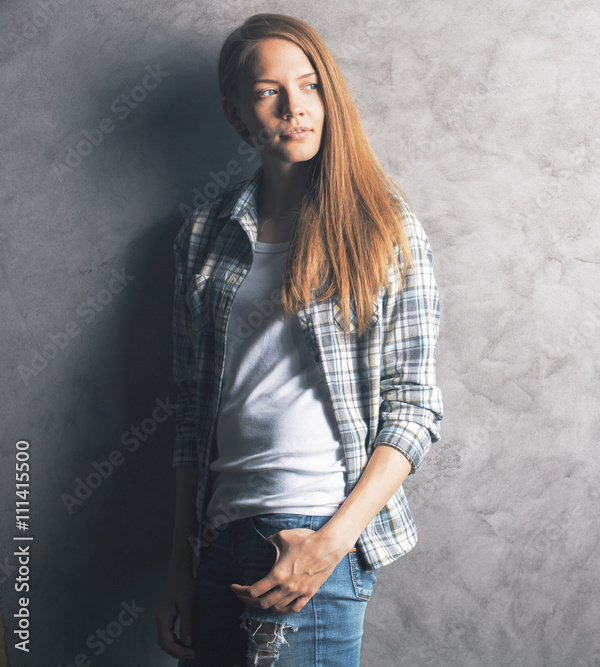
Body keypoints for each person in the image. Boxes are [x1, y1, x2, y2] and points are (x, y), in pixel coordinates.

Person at [154, 13, 444, 666]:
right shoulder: (203, 235)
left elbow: (414, 406)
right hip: (219, 540)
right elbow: (191, 413)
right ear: (237, 116)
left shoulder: (384, 226)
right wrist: (179, 565)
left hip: (314, 534)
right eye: (269, 92)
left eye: (310, 85)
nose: (295, 107)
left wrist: (328, 546)